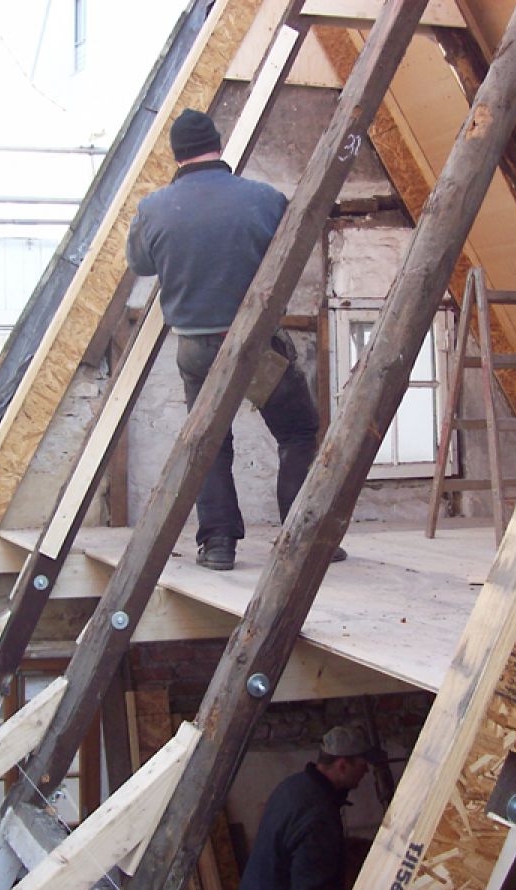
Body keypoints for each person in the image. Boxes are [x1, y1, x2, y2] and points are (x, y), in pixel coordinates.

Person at [126, 108, 346, 571]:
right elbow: (292, 252)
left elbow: (142, 265)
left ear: (176, 156)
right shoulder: (264, 199)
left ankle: (218, 545)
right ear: (219, 146)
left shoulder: (152, 209)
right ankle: (301, 539)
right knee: (298, 431)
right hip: (255, 346)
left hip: (195, 349)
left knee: (209, 442)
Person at [240, 725, 386, 890]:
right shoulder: (319, 817)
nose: (366, 770)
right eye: (363, 764)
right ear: (342, 766)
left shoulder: (293, 785)